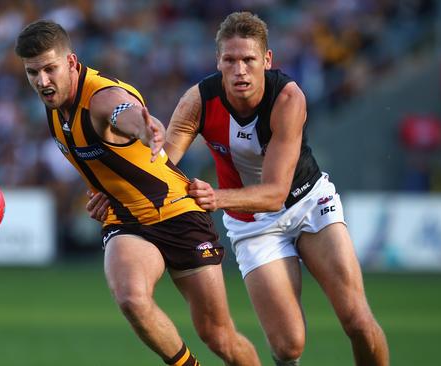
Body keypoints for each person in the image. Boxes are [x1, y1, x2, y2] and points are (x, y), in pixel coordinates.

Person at [88, 12, 389, 365]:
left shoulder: (288, 98)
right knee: (289, 346)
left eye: (248, 60)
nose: (239, 70)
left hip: (308, 202)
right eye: (230, 61)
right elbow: (160, 163)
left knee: (356, 319)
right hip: (251, 224)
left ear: (267, 60)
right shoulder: (199, 100)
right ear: (218, 62)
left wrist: (216, 197)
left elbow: (275, 192)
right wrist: (118, 190)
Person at [14, 19, 261, 366]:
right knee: (131, 298)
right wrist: (99, 190)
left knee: (218, 335)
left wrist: (144, 128)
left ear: (71, 62)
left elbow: (122, 111)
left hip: (178, 212)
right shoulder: (55, 104)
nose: (42, 81)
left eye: (49, 69)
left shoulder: (100, 97)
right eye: (32, 72)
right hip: (125, 218)